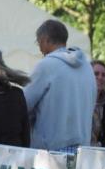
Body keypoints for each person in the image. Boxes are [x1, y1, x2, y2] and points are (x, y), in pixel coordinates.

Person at [23, 19, 95, 151]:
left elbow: (23, 104)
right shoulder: (87, 67)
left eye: (38, 42)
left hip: (51, 153)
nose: (39, 48)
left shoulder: (46, 65)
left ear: (45, 39)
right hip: (83, 151)